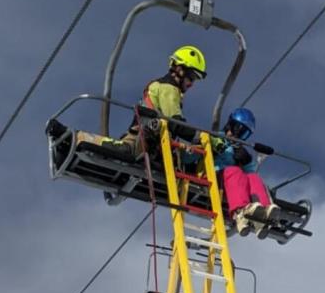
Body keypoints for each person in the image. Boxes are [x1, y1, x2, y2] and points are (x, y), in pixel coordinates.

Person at [119, 45, 207, 157]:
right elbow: (176, 124)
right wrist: (205, 138)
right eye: (191, 78)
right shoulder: (168, 88)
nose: (191, 84)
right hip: (141, 146)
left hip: (146, 145)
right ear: (179, 70)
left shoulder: (164, 87)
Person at [215, 107, 280, 237]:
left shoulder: (239, 148)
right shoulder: (215, 138)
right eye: (237, 130)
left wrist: (247, 161)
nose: (238, 135)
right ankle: (240, 212)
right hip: (214, 177)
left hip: (233, 183)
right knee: (234, 171)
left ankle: (263, 212)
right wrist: (215, 147)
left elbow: (251, 172)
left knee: (253, 177)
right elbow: (191, 156)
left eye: (244, 134)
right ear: (229, 125)